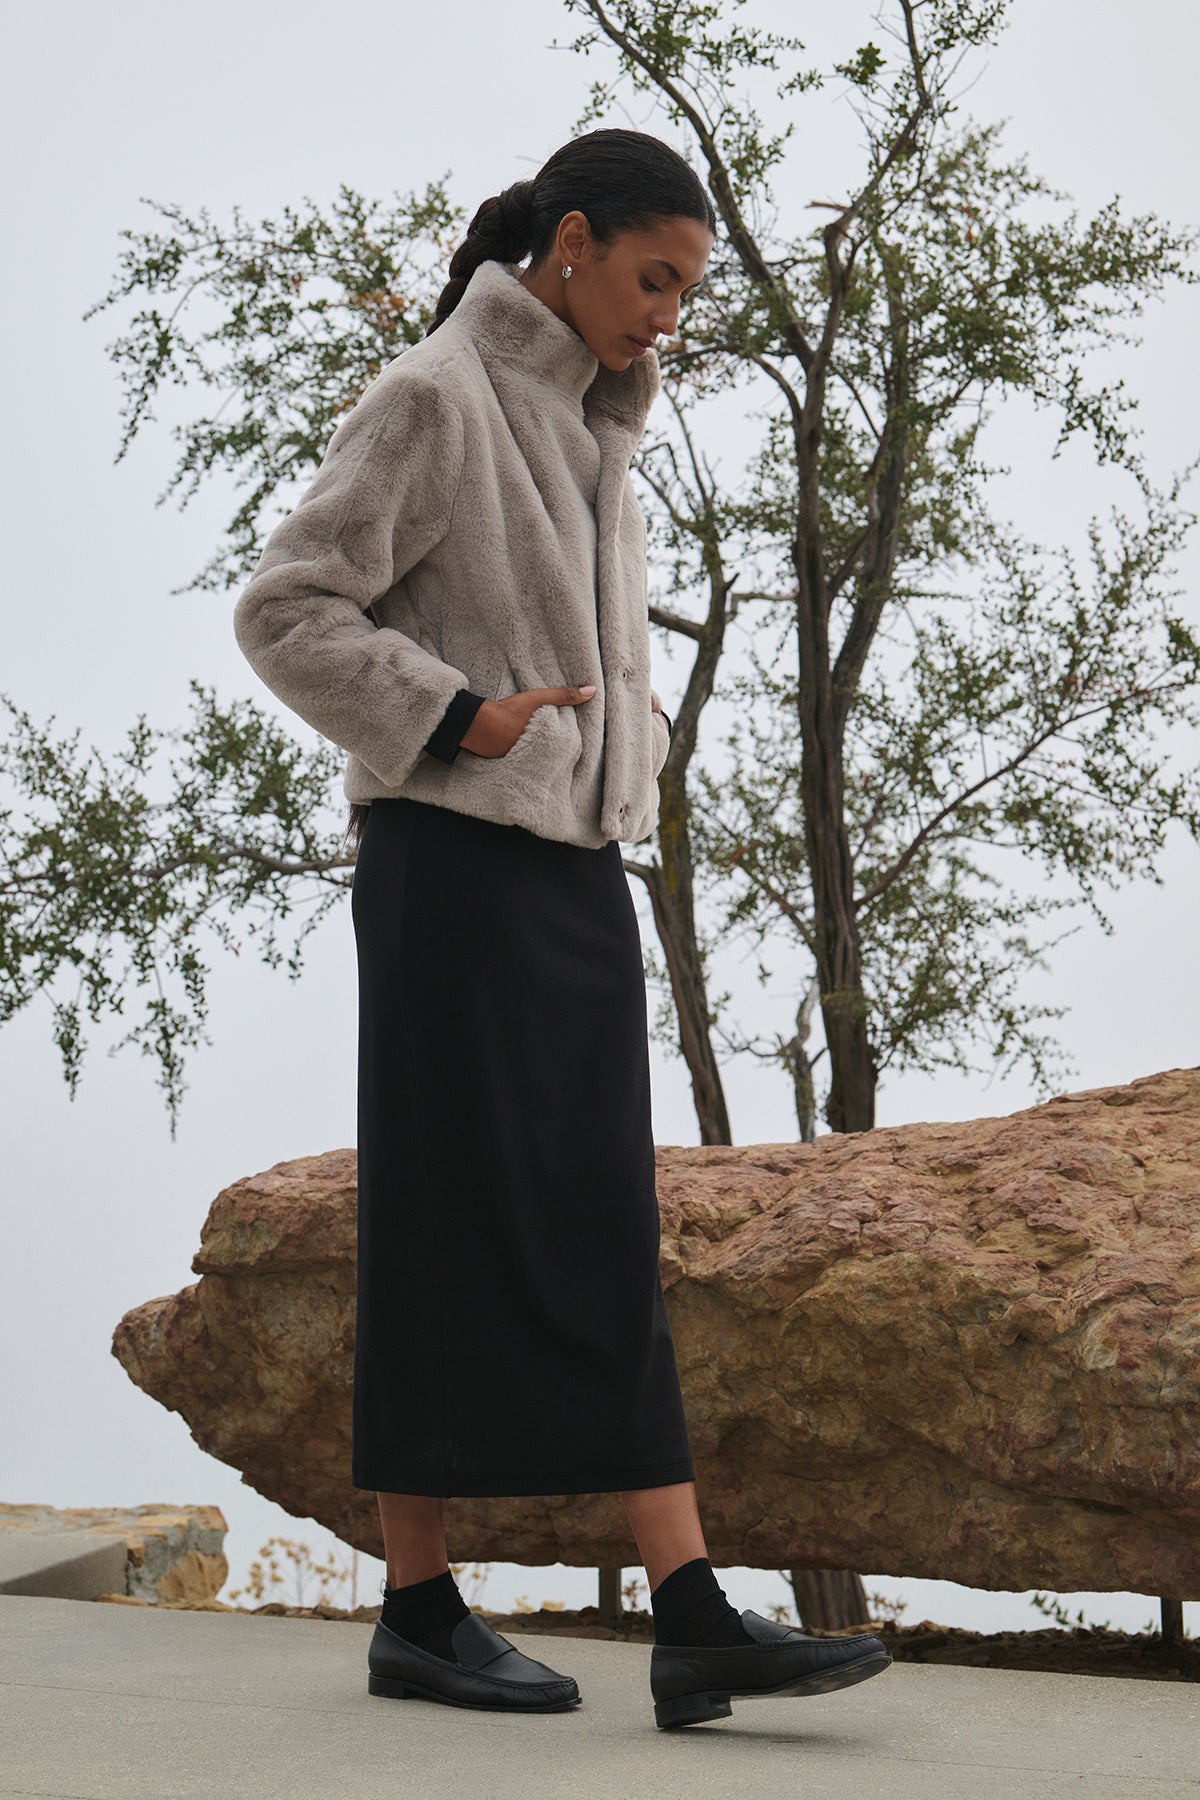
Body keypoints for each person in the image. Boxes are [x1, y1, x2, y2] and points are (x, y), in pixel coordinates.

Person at [233, 126, 891, 1731]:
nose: (668, 315)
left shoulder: (591, 417)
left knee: (600, 1222)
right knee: (445, 1212)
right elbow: (287, 607)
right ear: (575, 242)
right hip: (451, 861)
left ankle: (687, 1614)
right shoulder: (437, 395)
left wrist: (612, 771)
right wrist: (455, 717)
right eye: (653, 279)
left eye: (686, 292)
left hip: (572, 868)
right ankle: (420, 1606)